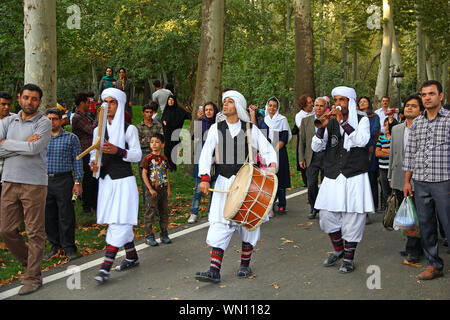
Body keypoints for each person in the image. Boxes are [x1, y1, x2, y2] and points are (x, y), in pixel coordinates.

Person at [195, 90, 277, 283]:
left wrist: (271, 167)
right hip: (224, 181)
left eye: (230, 102)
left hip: (247, 183)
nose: (225, 105)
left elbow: (267, 150)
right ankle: (214, 271)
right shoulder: (216, 128)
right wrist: (205, 178)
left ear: (238, 106)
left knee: (248, 223)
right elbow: (206, 154)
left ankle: (245, 265)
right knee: (220, 223)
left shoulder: (250, 129)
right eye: (224, 102)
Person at [312, 86, 374, 274]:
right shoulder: (329, 122)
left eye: (342, 100)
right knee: (326, 216)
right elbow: (316, 147)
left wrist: (343, 123)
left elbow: (361, 141)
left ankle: (348, 258)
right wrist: (321, 129)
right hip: (332, 174)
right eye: (336, 100)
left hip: (354, 175)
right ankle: (338, 249)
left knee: (353, 218)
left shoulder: (363, 120)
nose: (338, 104)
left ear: (350, 102)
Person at [0, 84, 51, 295]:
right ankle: (31, 263)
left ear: (39, 102)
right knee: (6, 230)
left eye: (34, 99)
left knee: (34, 232)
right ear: (19, 98)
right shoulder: (7, 121)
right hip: (9, 181)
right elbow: (26, 148)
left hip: (34, 184)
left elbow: (34, 149)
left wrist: (7, 144)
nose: (29, 102)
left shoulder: (44, 123)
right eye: (26, 97)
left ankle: (33, 277)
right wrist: (22, 145)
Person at [89, 88, 142, 283]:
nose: (108, 106)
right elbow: (93, 157)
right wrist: (94, 164)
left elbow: (137, 155)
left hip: (124, 182)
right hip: (106, 182)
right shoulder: (98, 130)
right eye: (105, 102)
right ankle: (131, 256)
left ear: (119, 105)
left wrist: (119, 151)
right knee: (117, 219)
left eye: (112, 102)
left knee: (119, 222)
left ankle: (105, 268)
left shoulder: (130, 129)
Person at [403, 80, 449, 280]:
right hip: (420, 182)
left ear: (441, 96)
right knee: (426, 225)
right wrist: (407, 181)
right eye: (424, 94)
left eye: (431, 93)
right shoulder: (418, 123)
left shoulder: (448, 120)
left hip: (444, 181)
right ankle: (434, 265)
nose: (427, 97)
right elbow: (410, 153)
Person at [388, 94, 424, 263]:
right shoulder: (396, 129)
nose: (409, 108)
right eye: (407, 105)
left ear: (421, 110)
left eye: (414, 106)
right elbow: (392, 155)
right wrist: (389, 176)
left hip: (420, 177)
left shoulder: (424, 128)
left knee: (417, 214)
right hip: (399, 176)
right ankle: (412, 246)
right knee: (407, 214)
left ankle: (415, 249)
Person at [44, 108, 83, 261]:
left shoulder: (71, 138)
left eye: (54, 119)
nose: (51, 122)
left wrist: (77, 182)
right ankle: (55, 245)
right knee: (49, 215)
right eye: (48, 119)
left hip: (65, 181)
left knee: (66, 215)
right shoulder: (41, 138)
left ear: (61, 120)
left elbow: (78, 160)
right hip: (45, 181)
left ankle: (69, 247)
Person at [257, 97, 292, 214]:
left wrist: (275, 150)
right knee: (268, 179)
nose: (272, 108)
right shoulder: (262, 121)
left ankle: (282, 204)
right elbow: (260, 138)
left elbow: (284, 137)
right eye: (270, 105)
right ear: (267, 106)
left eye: (274, 106)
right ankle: (269, 205)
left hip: (279, 153)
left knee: (280, 178)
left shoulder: (282, 120)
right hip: (266, 155)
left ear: (278, 107)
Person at [188, 101, 219, 224]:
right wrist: (198, 120)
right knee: (198, 188)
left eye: (211, 110)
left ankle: (211, 211)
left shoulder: (219, 124)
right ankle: (194, 212)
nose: (208, 112)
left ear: (215, 111)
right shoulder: (201, 123)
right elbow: (193, 137)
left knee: (214, 188)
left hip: (216, 160)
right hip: (202, 159)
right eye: (206, 110)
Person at [299, 97, 328, 219]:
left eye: (321, 106)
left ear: (325, 108)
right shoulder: (306, 121)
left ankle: (326, 207)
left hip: (326, 156)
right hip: (311, 157)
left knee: (326, 184)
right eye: (316, 105)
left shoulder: (330, 120)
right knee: (311, 184)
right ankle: (313, 207)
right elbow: (302, 141)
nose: (318, 108)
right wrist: (301, 158)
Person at [140, 133, 172, 246]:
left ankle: (164, 234)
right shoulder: (147, 158)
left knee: (164, 213)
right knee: (150, 213)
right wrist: (150, 189)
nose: (154, 144)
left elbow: (166, 173)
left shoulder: (164, 158)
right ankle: (149, 236)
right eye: (152, 142)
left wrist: (168, 189)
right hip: (152, 191)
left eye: (157, 142)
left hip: (163, 190)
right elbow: (144, 174)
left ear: (162, 145)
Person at [72, 92, 99, 216]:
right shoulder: (77, 117)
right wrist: (99, 117)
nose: (89, 105)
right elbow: (92, 130)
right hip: (84, 151)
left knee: (93, 179)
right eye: (88, 102)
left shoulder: (86, 115)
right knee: (88, 179)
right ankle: (87, 206)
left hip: (91, 151)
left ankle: (93, 203)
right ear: (82, 103)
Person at [136, 102, 163, 210]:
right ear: (143, 113)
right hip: (144, 154)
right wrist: (153, 141)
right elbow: (138, 143)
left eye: (150, 112)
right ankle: (148, 205)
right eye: (146, 112)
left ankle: (157, 206)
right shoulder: (138, 127)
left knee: (157, 180)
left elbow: (161, 140)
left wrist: (146, 140)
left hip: (156, 155)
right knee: (145, 180)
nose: (148, 114)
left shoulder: (158, 125)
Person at [357, 96, 380, 218]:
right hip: (359, 150)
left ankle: (374, 204)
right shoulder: (356, 116)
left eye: (364, 101)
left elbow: (373, 131)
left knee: (371, 177)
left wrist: (366, 138)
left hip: (370, 148)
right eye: (360, 102)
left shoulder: (374, 117)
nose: (362, 103)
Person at [161, 94, 192, 171]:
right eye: (169, 100)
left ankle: (173, 167)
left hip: (174, 133)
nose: (170, 101)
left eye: (172, 100)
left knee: (173, 150)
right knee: (167, 149)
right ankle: (167, 165)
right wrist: (164, 122)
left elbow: (187, 115)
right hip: (167, 133)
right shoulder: (166, 109)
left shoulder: (178, 110)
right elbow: (163, 119)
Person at [376, 117, 398, 213]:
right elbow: (377, 153)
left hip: (394, 168)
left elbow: (397, 153)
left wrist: (384, 150)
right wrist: (389, 152)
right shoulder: (381, 138)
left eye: (387, 125)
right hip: (383, 168)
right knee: (385, 190)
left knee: (395, 189)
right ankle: (387, 210)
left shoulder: (396, 138)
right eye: (384, 125)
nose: (385, 127)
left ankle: (396, 209)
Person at [293, 94, 314, 188]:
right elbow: (302, 129)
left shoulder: (315, 112)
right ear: (304, 105)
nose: (312, 104)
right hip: (305, 142)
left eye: (312, 102)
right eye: (309, 102)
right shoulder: (299, 116)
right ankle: (308, 186)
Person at [0, 91, 14, 210]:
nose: (6, 107)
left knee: (8, 206)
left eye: (8, 105)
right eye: (3, 104)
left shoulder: (15, 119)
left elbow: (25, 144)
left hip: (11, 169)